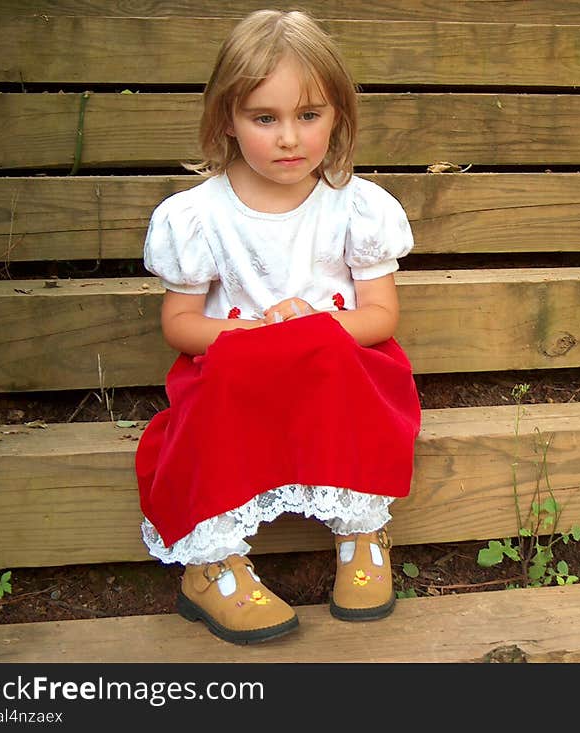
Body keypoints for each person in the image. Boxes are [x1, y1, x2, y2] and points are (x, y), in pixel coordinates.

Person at [134, 9, 421, 645]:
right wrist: (248, 336)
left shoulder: (355, 207)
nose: (289, 137)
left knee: (343, 366)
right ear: (227, 122)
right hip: (240, 368)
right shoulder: (199, 217)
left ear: (338, 116)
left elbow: (381, 316)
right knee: (219, 390)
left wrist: (317, 324)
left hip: (333, 363)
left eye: (309, 116)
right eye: (265, 119)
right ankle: (210, 565)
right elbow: (181, 325)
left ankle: (360, 532)